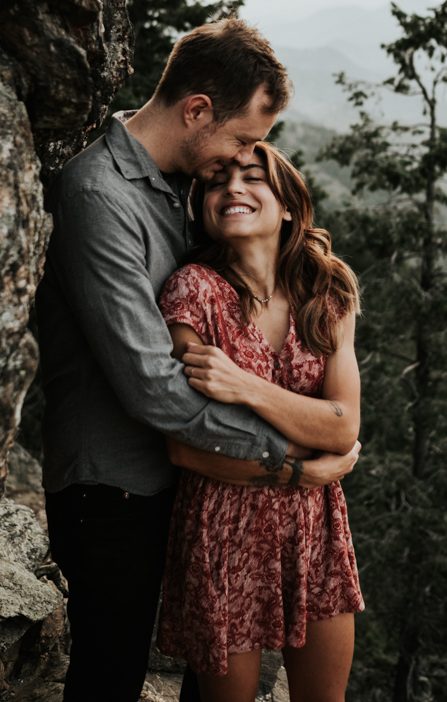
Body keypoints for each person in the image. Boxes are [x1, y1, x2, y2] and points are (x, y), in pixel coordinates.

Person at [36, 19, 351, 702]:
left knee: (203, 669)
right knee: (109, 673)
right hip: (110, 484)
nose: (239, 159)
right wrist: (296, 452)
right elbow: (152, 387)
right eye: (241, 139)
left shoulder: (177, 183)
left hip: (188, 477)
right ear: (197, 110)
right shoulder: (99, 195)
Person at [155, 141, 364, 702]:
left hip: (316, 531)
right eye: (218, 183)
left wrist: (245, 386)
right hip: (224, 529)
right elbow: (187, 449)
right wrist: (302, 470)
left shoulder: (327, 292)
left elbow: (343, 426)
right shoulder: (192, 292)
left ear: (289, 204)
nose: (233, 189)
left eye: (253, 177)